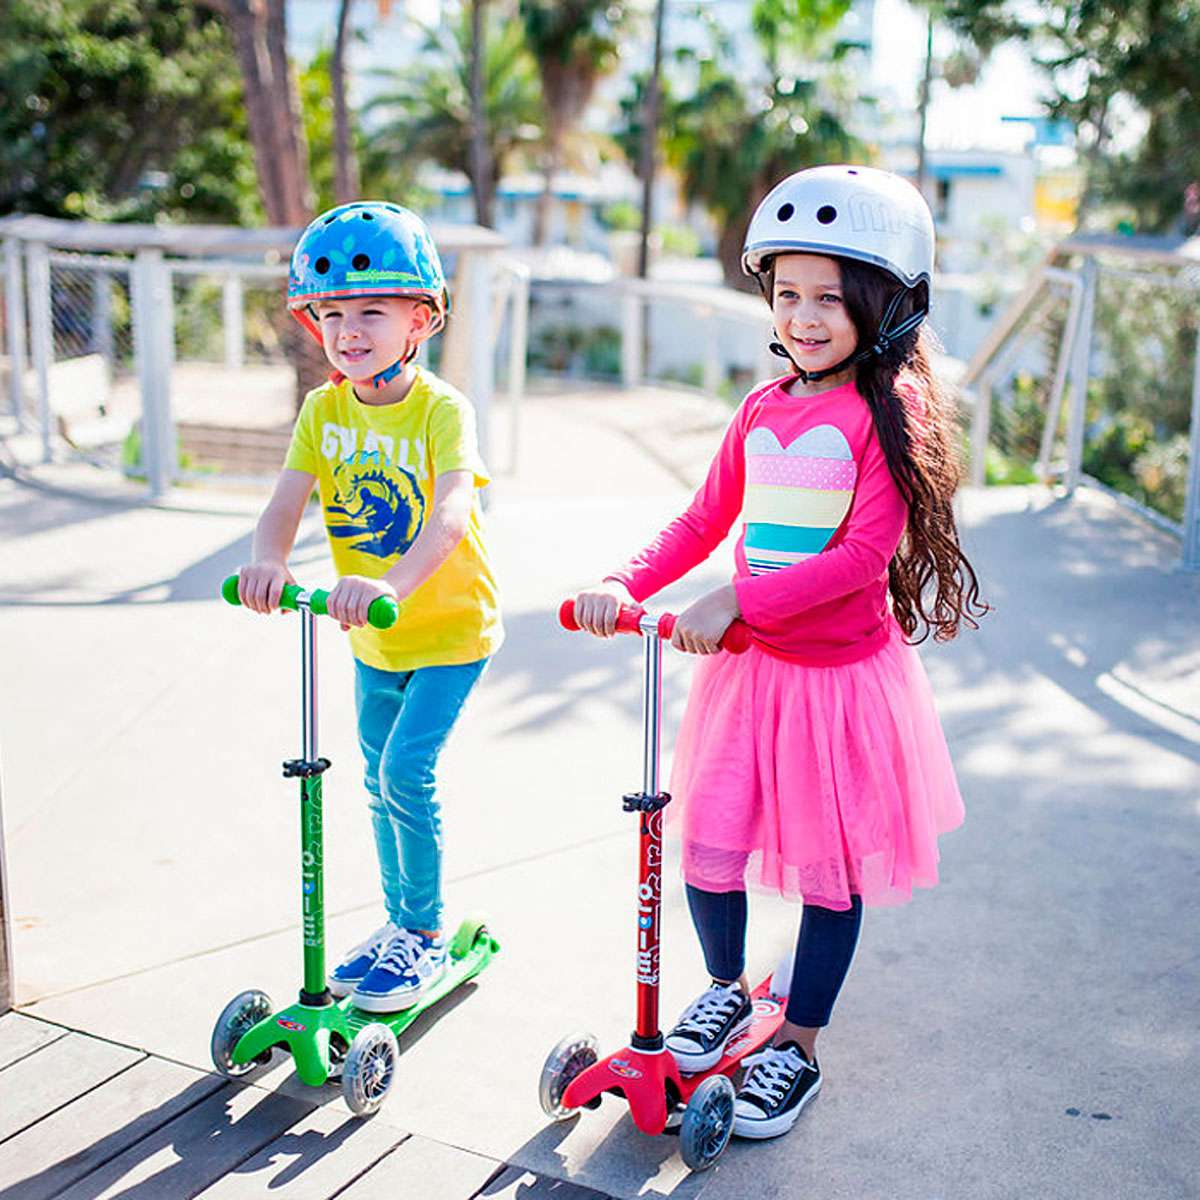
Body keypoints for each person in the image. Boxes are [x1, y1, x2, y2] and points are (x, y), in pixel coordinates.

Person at [571, 165, 987, 1140]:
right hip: (749, 676)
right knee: (708, 843)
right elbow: (702, 519)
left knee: (828, 874)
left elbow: (859, 560)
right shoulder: (763, 409)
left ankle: (797, 1042)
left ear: (887, 305)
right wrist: (625, 583)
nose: (803, 317)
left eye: (829, 298)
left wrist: (736, 599)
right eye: (787, 294)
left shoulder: (891, 412)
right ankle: (726, 990)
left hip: (836, 685)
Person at [236, 202, 502, 1013]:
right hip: (373, 639)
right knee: (377, 784)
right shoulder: (324, 411)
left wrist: (391, 584)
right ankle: (400, 921)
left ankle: (424, 932)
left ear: (421, 319)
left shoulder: (441, 410)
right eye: (333, 314)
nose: (349, 331)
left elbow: (451, 514)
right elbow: (285, 502)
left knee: (404, 773)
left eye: (372, 312)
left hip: (449, 630)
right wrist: (269, 560)